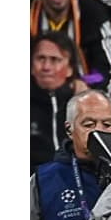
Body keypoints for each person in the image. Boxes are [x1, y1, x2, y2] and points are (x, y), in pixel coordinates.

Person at [31, 89, 111, 220]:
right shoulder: (45, 180)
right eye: (89, 124)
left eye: (106, 124)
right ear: (69, 129)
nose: (98, 132)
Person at [31, 32, 81, 172]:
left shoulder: (82, 106)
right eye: (40, 58)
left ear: (70, 69)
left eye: (55, 60)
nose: (46, 67)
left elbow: (98, 77)